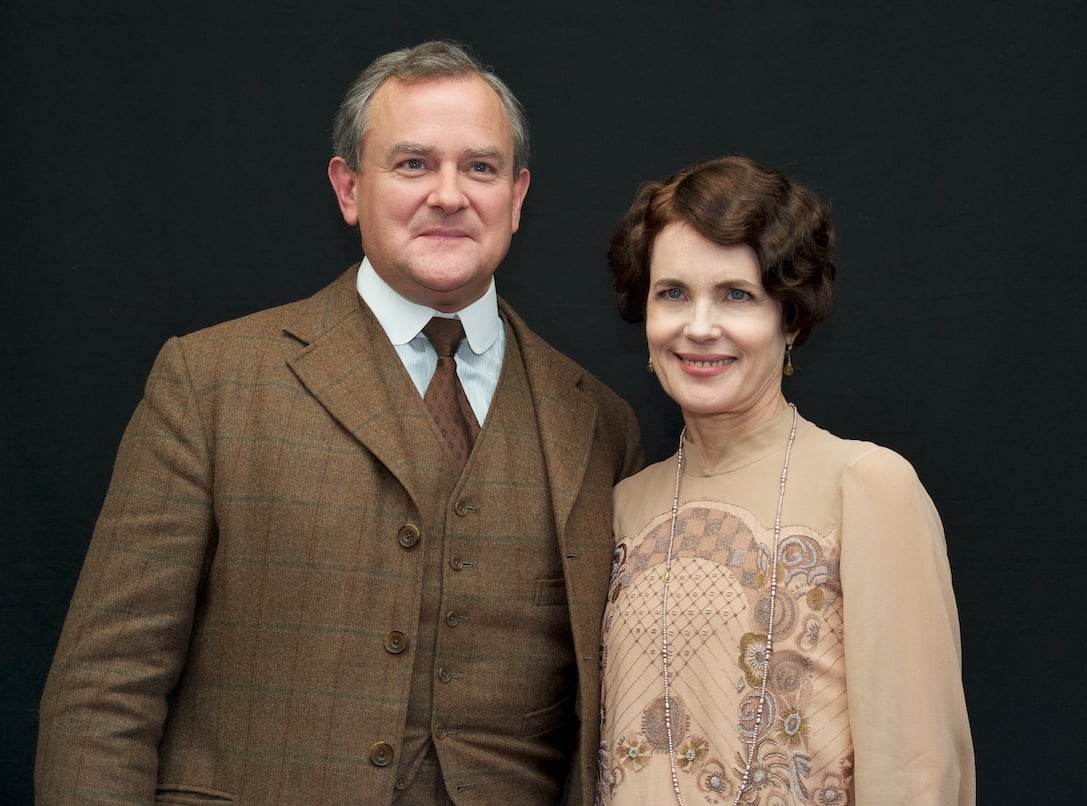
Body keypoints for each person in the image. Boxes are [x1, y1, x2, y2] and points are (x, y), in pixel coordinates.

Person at [36, 40, 643, 805]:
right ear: (349, 188)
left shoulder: (597, 422)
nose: (450, 194)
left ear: (517, 198)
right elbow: (103, 694)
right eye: (413, 164)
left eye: (480, 167)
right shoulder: (211, 382)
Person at [597, 156, 974, 805]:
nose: (699, 326)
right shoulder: (622, 507)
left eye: (736, 294)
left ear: (791, 318)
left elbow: (918, 768)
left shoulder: (867, 487)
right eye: (674, 293)